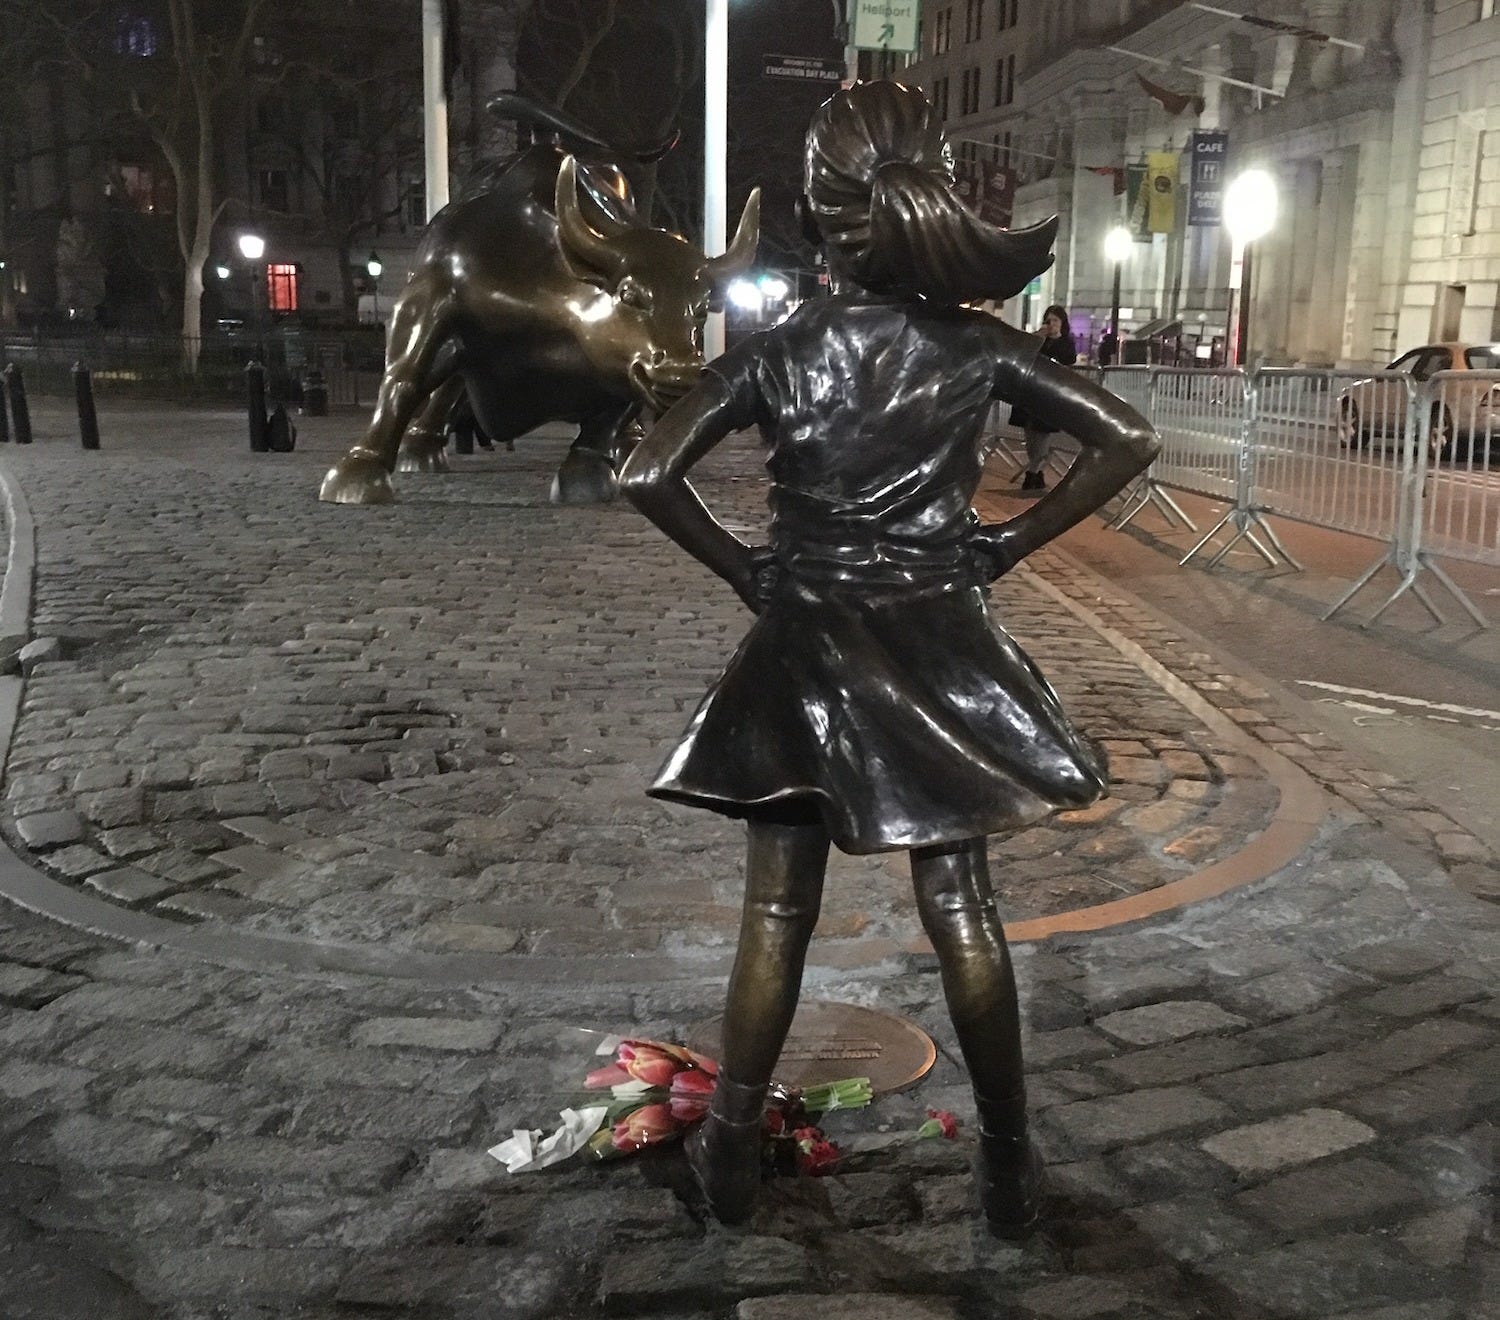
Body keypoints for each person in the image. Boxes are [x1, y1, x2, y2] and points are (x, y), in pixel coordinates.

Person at [619, 82, 1157, 1236]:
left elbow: (647, 472)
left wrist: (746, 570)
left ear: (819, 211)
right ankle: (1006, 1167)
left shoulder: (782, 351)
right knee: (962, 905)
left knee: (777, 912)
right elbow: (1128, 436)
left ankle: (728, 1158)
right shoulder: (975, 347)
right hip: (943, 646)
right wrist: (1005, 544)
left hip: (804, 646)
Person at [1009, 304, 1078, 492]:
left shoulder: (1066, 342)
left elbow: (1069, 359)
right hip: (1030, 390)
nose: (1052, 324)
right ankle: (1037, 473)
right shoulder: (1039, 339)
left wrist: (1056, 338)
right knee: (1030, 434)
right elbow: (1024, 351)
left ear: (1062, 323)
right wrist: (1039, 336)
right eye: (1049, 320)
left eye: (1056, 320)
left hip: (1049, 394)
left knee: (1043, 434)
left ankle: (1032, 473)